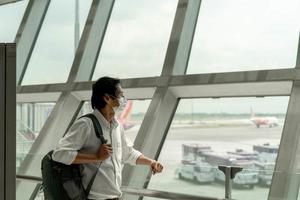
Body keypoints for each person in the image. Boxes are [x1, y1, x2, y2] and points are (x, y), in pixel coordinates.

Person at [52, 76, 163, 200]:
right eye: (121, 95)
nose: (124, 100)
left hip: (115, 197)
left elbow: (127, 153)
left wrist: (150, 162)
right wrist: (96, 157)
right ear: (107, 98)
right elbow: (59, 154)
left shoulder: (116, 127)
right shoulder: (86, 124)